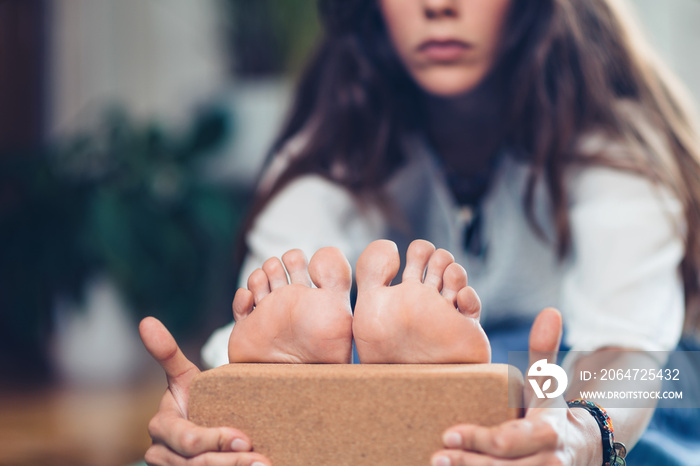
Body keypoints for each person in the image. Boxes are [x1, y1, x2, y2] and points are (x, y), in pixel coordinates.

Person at [139, 0, 700, 465]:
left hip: (578, 384)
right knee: (355, 392)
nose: (438, 6)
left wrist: (580, 432)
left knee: (628, 414)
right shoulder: (332, 155)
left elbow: (625, 350)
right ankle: (365, 396)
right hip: (389, 387)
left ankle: (436, 402)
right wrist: (210, 407)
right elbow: (260, 314)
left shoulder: (615, 152)